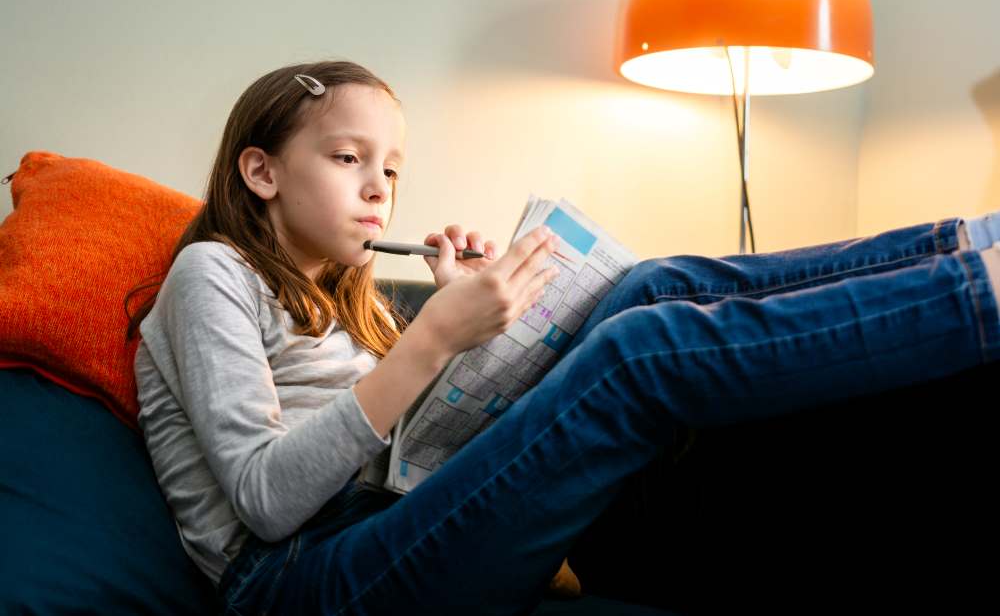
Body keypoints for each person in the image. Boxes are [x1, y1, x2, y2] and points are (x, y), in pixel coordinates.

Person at [126, 59, 1000, 616]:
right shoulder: (212, 272)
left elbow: (402, 450)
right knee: (639, 353)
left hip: (383, 525)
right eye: (349, 158)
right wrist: (430, 342)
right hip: (300, 583)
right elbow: (267, 498)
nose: (379, 187)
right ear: (262, 170)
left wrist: (471, 332)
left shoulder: (347, 297)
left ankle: (962, 245)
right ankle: (978, 297)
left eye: (391, 167)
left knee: (643, 289)